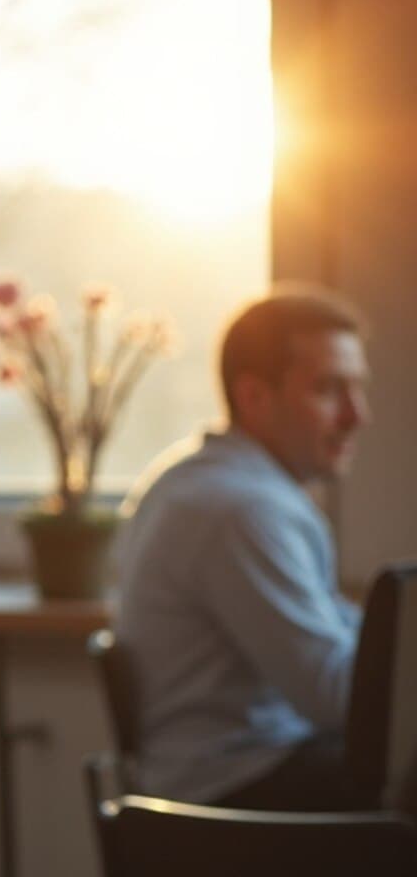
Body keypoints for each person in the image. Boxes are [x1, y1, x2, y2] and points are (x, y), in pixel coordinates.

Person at [114, 285, 373, 810]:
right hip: (231, 794)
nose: (356, 415)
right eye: (329, 389)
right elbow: (338, 698)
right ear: (254, 396)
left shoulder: (203, 481)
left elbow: (328, 629)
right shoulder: (243, 512)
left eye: (358, 388)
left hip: (227, 769)